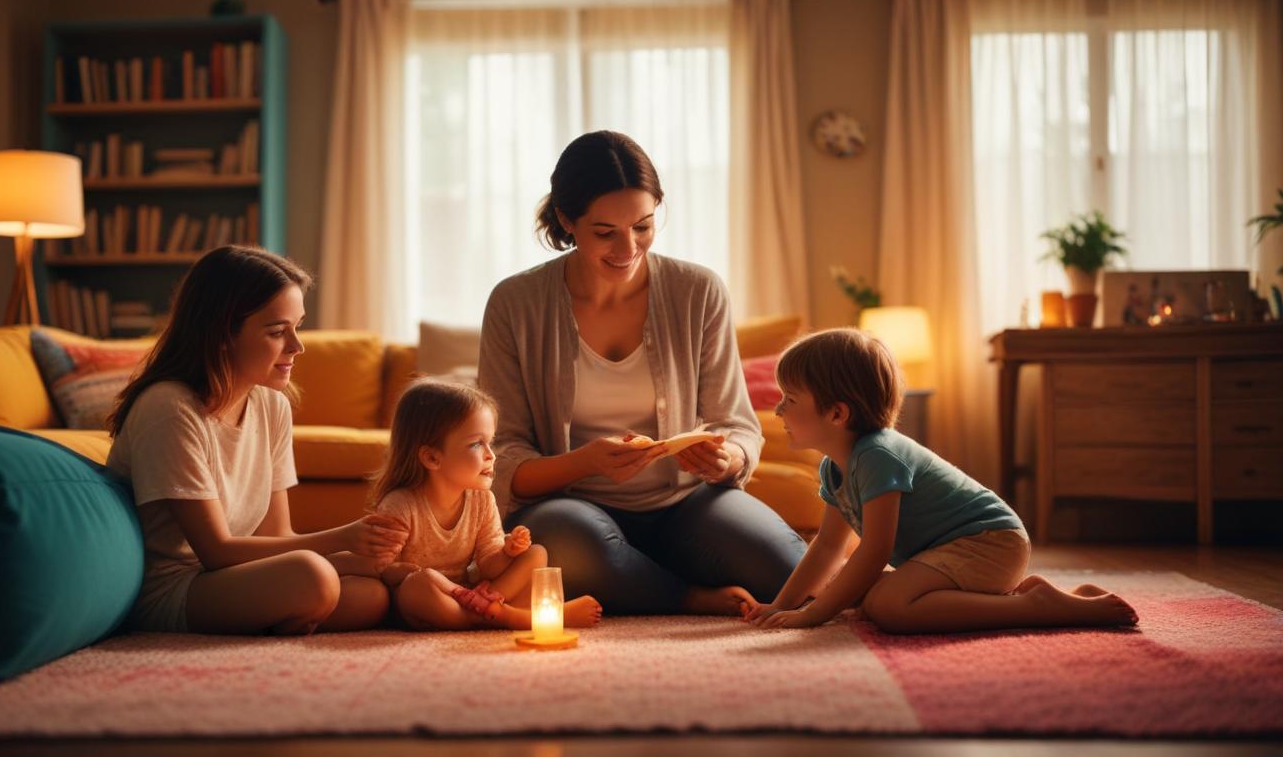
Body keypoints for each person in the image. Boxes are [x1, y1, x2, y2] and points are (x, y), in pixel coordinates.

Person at [477, 130, 807, 616]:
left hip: (687, 504)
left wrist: (728, 458)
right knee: (569, 546)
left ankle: (638, 577)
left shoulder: (698, 291)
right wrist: (587, 461)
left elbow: (737, 424)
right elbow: (501, 456)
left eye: (644, 226)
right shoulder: (515, 303)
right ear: (567, 220)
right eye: (605, 232)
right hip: (571, 506)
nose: (628, 248)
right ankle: (686, 595)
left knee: (789, 570)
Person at [744, 329, 1140, 633]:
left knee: (889, 607)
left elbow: (875, 551)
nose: (777, 409)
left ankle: (1037, 607)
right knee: (847, 586)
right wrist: (781, 604)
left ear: (836, 414)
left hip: (989, 544)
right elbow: (829, 545)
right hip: (951, 551)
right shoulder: (835, 466)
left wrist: (814, 614)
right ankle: (1041, 597)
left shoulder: (878, 455)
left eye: (789, 399)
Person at [107, 246, 405, 635]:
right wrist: (342, 538)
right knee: (313, 576)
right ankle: (289, 614)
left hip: (236, 575)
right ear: (221, 335)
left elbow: (277, 537)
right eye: (277, 331)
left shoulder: (271, 405)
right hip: (176, 586)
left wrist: (359, 559)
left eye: (297, 326)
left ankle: (286, 616)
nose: (297, 347)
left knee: (371, 594)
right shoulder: (170, 408)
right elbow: (215, 551)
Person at [364, 380, 603, 630]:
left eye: (491, 442)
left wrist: (507, 552)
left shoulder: (481, 499)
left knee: (536, 554)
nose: (491, 454)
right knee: (419, 583)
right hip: (427, 601)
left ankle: (488, 609)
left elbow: (489, 564)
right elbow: (382, 570)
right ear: (432, 457)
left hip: (474, 595)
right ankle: (510, 617)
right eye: (477, 444)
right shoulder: (400, 504)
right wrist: (423, 576)